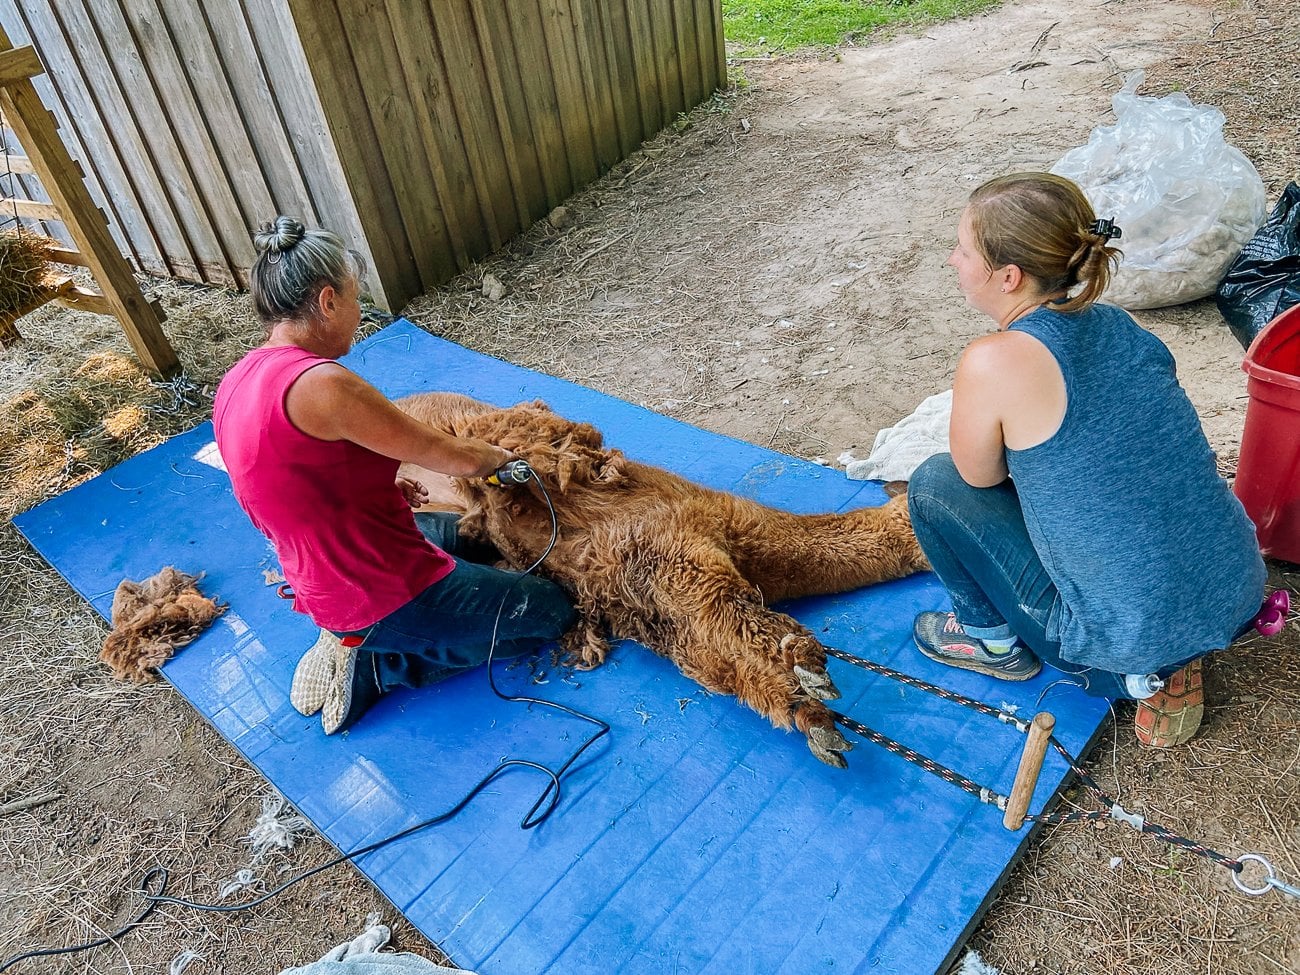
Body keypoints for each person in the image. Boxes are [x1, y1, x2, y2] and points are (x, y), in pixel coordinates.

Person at [907, 173, 1266, 747]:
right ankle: (1173, 638)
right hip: (1234, 582)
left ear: (1008, 276)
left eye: (964, 250)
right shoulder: (1118, 325)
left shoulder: (995, 360)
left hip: (1127, 639)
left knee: (933, 483)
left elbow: (978, 478)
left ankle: (992, 640)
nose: (953, 260)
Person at [213, 216, 576, 734]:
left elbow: (284, 481)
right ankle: (381, 663)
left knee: (471, 537)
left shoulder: (239, 377)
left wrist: (374, 487)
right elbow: (445, 453)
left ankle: (349, 632)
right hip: (372, 590)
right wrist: (499, 458)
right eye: (355, 298)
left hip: (321, 569)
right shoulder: (323, 385)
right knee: (549, 612)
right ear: (327, 300)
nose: (359, 315)